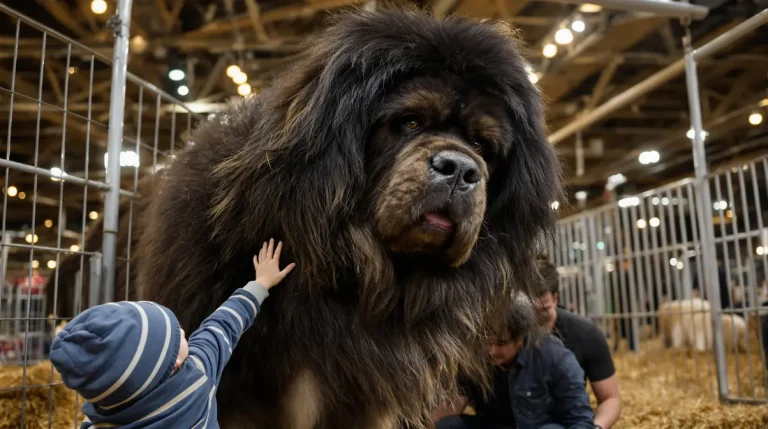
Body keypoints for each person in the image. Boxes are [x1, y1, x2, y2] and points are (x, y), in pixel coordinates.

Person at [49, 239, 295, 428]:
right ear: (175, 364)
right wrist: (260, 284)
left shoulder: (100, 417)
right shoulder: (195, 382)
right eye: (175, 337)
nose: (183, 330)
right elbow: (223, 325)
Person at [432, 297, 595, 429]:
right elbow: (453, 404)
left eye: (501, 343)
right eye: (486, 341)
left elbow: (581, 420)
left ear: (520, 338)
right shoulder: (475, 357)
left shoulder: (555, 357)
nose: (491, 350)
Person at [531, 257, 621, 429]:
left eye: (543, 311)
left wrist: (594, 427)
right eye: (527, 312)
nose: (535, 320)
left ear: (555, 299)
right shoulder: (508, 337)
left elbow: (611, 398)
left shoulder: (586, 334)